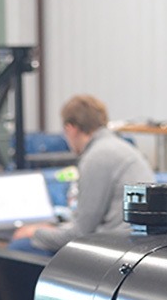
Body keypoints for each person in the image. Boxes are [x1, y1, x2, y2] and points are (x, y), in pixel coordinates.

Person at [10, 94, 155, 254]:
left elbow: (80, 234)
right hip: (136, 243)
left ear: (70, 128)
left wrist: (35, 232)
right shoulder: (119, 147)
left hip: (116, 247)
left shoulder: (97, 156)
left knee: (20, 246)